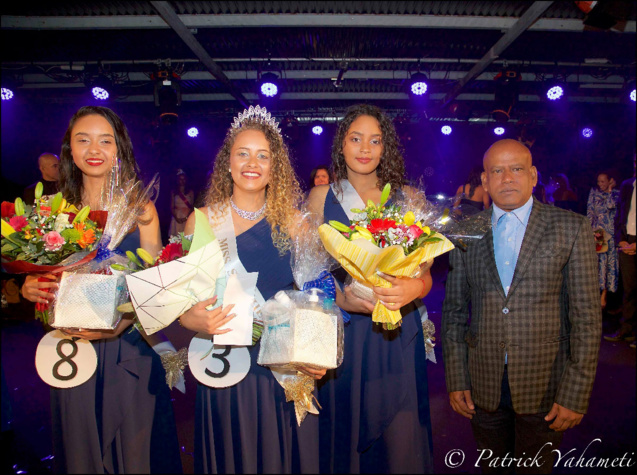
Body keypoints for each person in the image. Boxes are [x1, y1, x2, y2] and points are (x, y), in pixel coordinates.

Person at [20, 106, 182, 474]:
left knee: (136, 455)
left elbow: (156, 289)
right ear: (70, 151)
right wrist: (31, 286)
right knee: (81, 453)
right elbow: (44, 277)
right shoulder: (52, 212)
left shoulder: (141, 208)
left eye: (105, 140)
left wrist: (119, 323)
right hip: (70, 351)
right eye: (83, 140)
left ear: (118, 149)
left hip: (129, 350)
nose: (94, 148)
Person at [178, 106, 324, 473]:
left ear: (276, 168)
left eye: (263, 155)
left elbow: (316, 296)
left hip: (282, 365)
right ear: (227, 163)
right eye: (242, 153)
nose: (251, 162)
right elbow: (181, 298)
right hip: (225, 361)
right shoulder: (202, 219)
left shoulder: (294, 223)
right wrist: (190, 318)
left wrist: (317, 349)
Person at [441, 139, 601, 474]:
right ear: (484, 181)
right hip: (483, 384)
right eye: (497, 170)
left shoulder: (571, 227)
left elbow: (587, 318)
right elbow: (454, 312)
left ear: (533, 175)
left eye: (516, 169)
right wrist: (457, 377)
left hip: (545, 384)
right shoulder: (465, 231)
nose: (507, 178)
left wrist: (575, 392)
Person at [307, 104, 434, 473]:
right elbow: (306, 270)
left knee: (401, 440)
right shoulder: (320, 199)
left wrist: (413, 290)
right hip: (344, 332)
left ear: (385, 148)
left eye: (375, 141)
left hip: (396, 329)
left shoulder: (409, 198)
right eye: (356, 138)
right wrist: (339, 296)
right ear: (341, 146)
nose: (365, 148)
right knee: (344, 436)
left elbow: (424, 275)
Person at [603, 169, 636, 346]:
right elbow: (620, 214)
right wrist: (621, 240)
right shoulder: (627, 185)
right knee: (629, 289)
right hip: (627, 240)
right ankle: (626, 330)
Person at [587, 172, 619, 309]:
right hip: (598, 233)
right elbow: (590, 211)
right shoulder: (593, 193)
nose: (600, 185)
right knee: (598, 263)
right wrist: (588, 230)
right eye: (599, 181)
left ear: (610, 181)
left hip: (610, 234)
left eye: (603, 182)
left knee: (609, 264)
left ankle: (605, 295)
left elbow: (611, 206)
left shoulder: (616, 193)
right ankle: (596, 293)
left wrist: (610, 190)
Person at [169, 169, 195, 237]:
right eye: (180, 179)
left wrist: (186, 218)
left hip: (187, 217)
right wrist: (176, 217)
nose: (182, 181)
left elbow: (192, 206)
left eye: (184, 179)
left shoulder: (190, 192)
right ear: (177, 180)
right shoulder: (174, 192)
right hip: (176, 217)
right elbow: (172, 206)